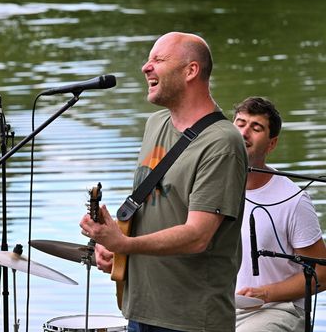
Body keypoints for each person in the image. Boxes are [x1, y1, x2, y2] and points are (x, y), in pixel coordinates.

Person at [79, 32, 248, 331]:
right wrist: (114, 243)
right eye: (148, 59)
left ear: (190, 71)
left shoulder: (222, 142)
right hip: (140, 309)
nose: (146, 67)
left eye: (158, 59)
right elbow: (156, 207)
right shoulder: (154, 124)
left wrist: (126, 243)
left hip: (192, 320)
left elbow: (198, 236)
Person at [233, 96, 326, 331]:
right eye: (240, 123)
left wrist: (265, 293)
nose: (244, 133)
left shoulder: (293, 200)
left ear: (271, 144)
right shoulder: (210, 186)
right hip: (220, 307)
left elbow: (322, 273)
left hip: (278, 309)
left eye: (256, 128)